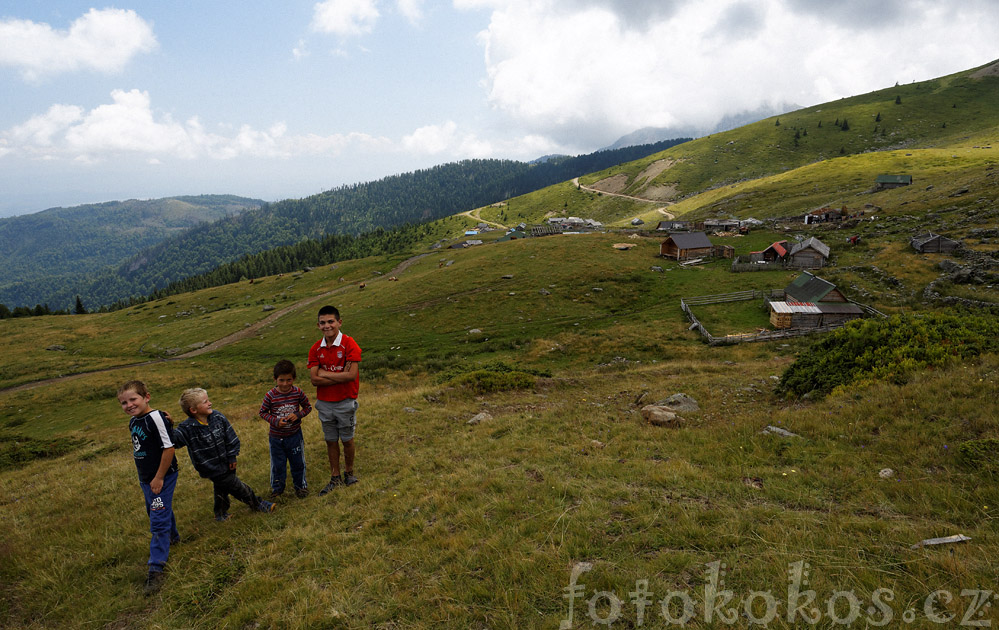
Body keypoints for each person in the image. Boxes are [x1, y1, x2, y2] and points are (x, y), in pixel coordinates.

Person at [172, 388, 275, 520]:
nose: (210, 403)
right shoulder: (187, 428)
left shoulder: (218, 417)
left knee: (222, 488)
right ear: (193, 410)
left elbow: (230, 437)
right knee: (237, 487)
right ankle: (257, 503)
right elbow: (175, 441)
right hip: (211, 468)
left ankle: (220, 514)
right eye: (205, 402)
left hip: (228, 462)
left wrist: (232, 456)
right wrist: (168, 424)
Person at [118, 379, 180, 596]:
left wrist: (159, 478)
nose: (129, 405)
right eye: (124, 403)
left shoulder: (156, 417)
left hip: (161, 477)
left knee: (158, 518)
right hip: (146, 479)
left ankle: (156, 569)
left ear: (147, 397)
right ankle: (174, 538)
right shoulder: (134, 422)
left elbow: (169, 448)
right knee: (156, 510)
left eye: (133, 399)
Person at [308, 305, 361, 495]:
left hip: (345, 401)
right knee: (330, 440)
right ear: (318, 325)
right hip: (325, 403)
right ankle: (335, 477)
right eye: (322, 323)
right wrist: (339, 373)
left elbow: (351, 376)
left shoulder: (349, 343)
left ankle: (349, 473)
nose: (327, 326)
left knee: (347, 439)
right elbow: (314, 379)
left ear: (339, 322)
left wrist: (324, 373)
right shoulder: (316, 348)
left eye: (331, 321)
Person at [258, 359, 312, 499]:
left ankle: (301, 487)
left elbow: (308, 407)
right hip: (276, 438)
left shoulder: (298, 392)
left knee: (298, 463)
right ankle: (277, 490)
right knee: (278, 465)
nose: (285, 384)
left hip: (294, 436)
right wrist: (275, 421)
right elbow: (263, 412)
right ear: (275, 379)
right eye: (281, 380)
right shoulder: (270, 396)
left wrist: (298, 415)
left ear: (293, 378)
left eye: (289, 380)